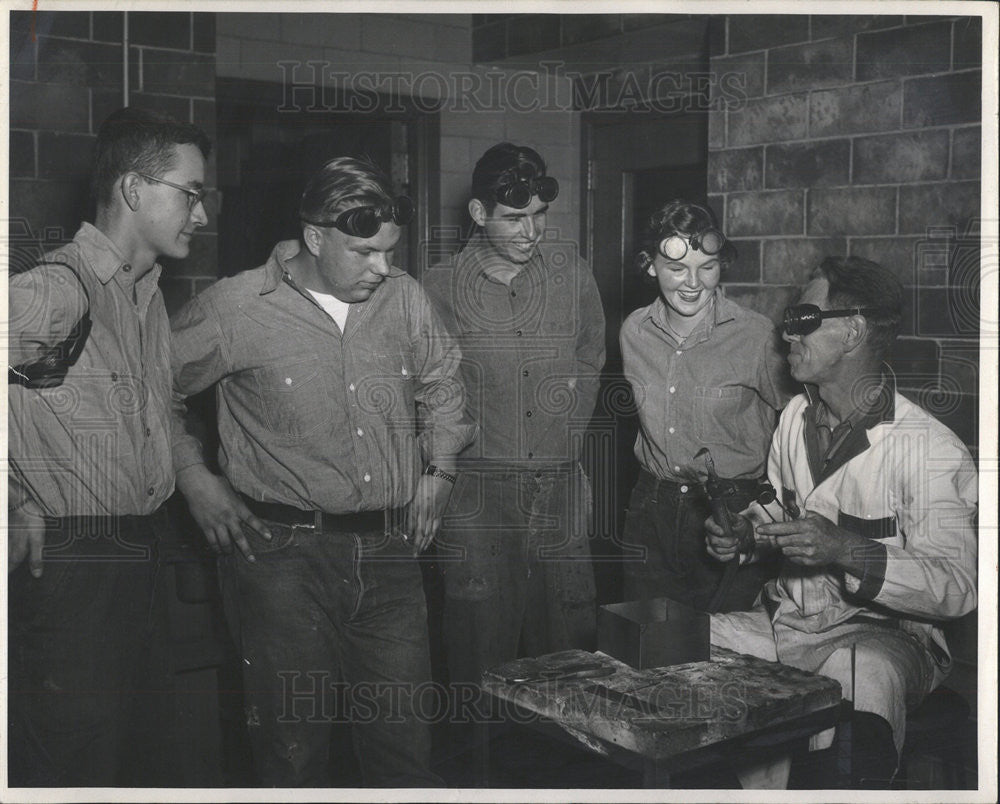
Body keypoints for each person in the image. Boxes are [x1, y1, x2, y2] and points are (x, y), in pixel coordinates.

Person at [169, 156, 474, 787]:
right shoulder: (236, 307)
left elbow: (444, 383)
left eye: (388, 250)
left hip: (391, 555)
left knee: (404, 751)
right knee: (291, 753)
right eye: (364, 252)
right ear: (315, 237)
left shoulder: (404, 298)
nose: (382, 268)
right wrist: (194, 477)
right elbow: (150, 393)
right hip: (281, 560)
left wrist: (439, 470)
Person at [707, 256, 978, 788]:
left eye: (804, 318)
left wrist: (846, 549)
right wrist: (745, 535)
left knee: (859, 675)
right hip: (789, 626)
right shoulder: (792, 420)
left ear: (853, 331)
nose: (788, 332)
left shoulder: (927, 448)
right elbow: (779, 514)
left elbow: (959, 587)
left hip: (886, 639)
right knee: (681, 647)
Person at [7, 107, 211, 785]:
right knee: (73, 763)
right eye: (191, 193)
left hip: (139, 552)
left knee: (143, 762)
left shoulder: (144, 297)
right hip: (76, 566)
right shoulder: (60, 290)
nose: (200, 215)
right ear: (133, 190)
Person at [421, 142, 606, 687]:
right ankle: (480, 767)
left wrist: (565, 439)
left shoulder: (571, 273)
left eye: (539, 216)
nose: (531, 232)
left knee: (570, 646)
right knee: (481, 644)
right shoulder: (439, 285)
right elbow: (429, 386)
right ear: (479, 214)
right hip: (478, 495)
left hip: (560, 486)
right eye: (514, 219)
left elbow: (592, 353)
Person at [619, 199, 790, 613]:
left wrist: (769, 515)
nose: (692, 283)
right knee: (647, 646)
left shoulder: (756, 335)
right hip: (651, 508)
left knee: (724, 656)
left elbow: (799, 424)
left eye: (707, 267)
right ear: (650, 266)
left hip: (731, 512)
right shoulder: (634, 332)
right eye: (677, 269)